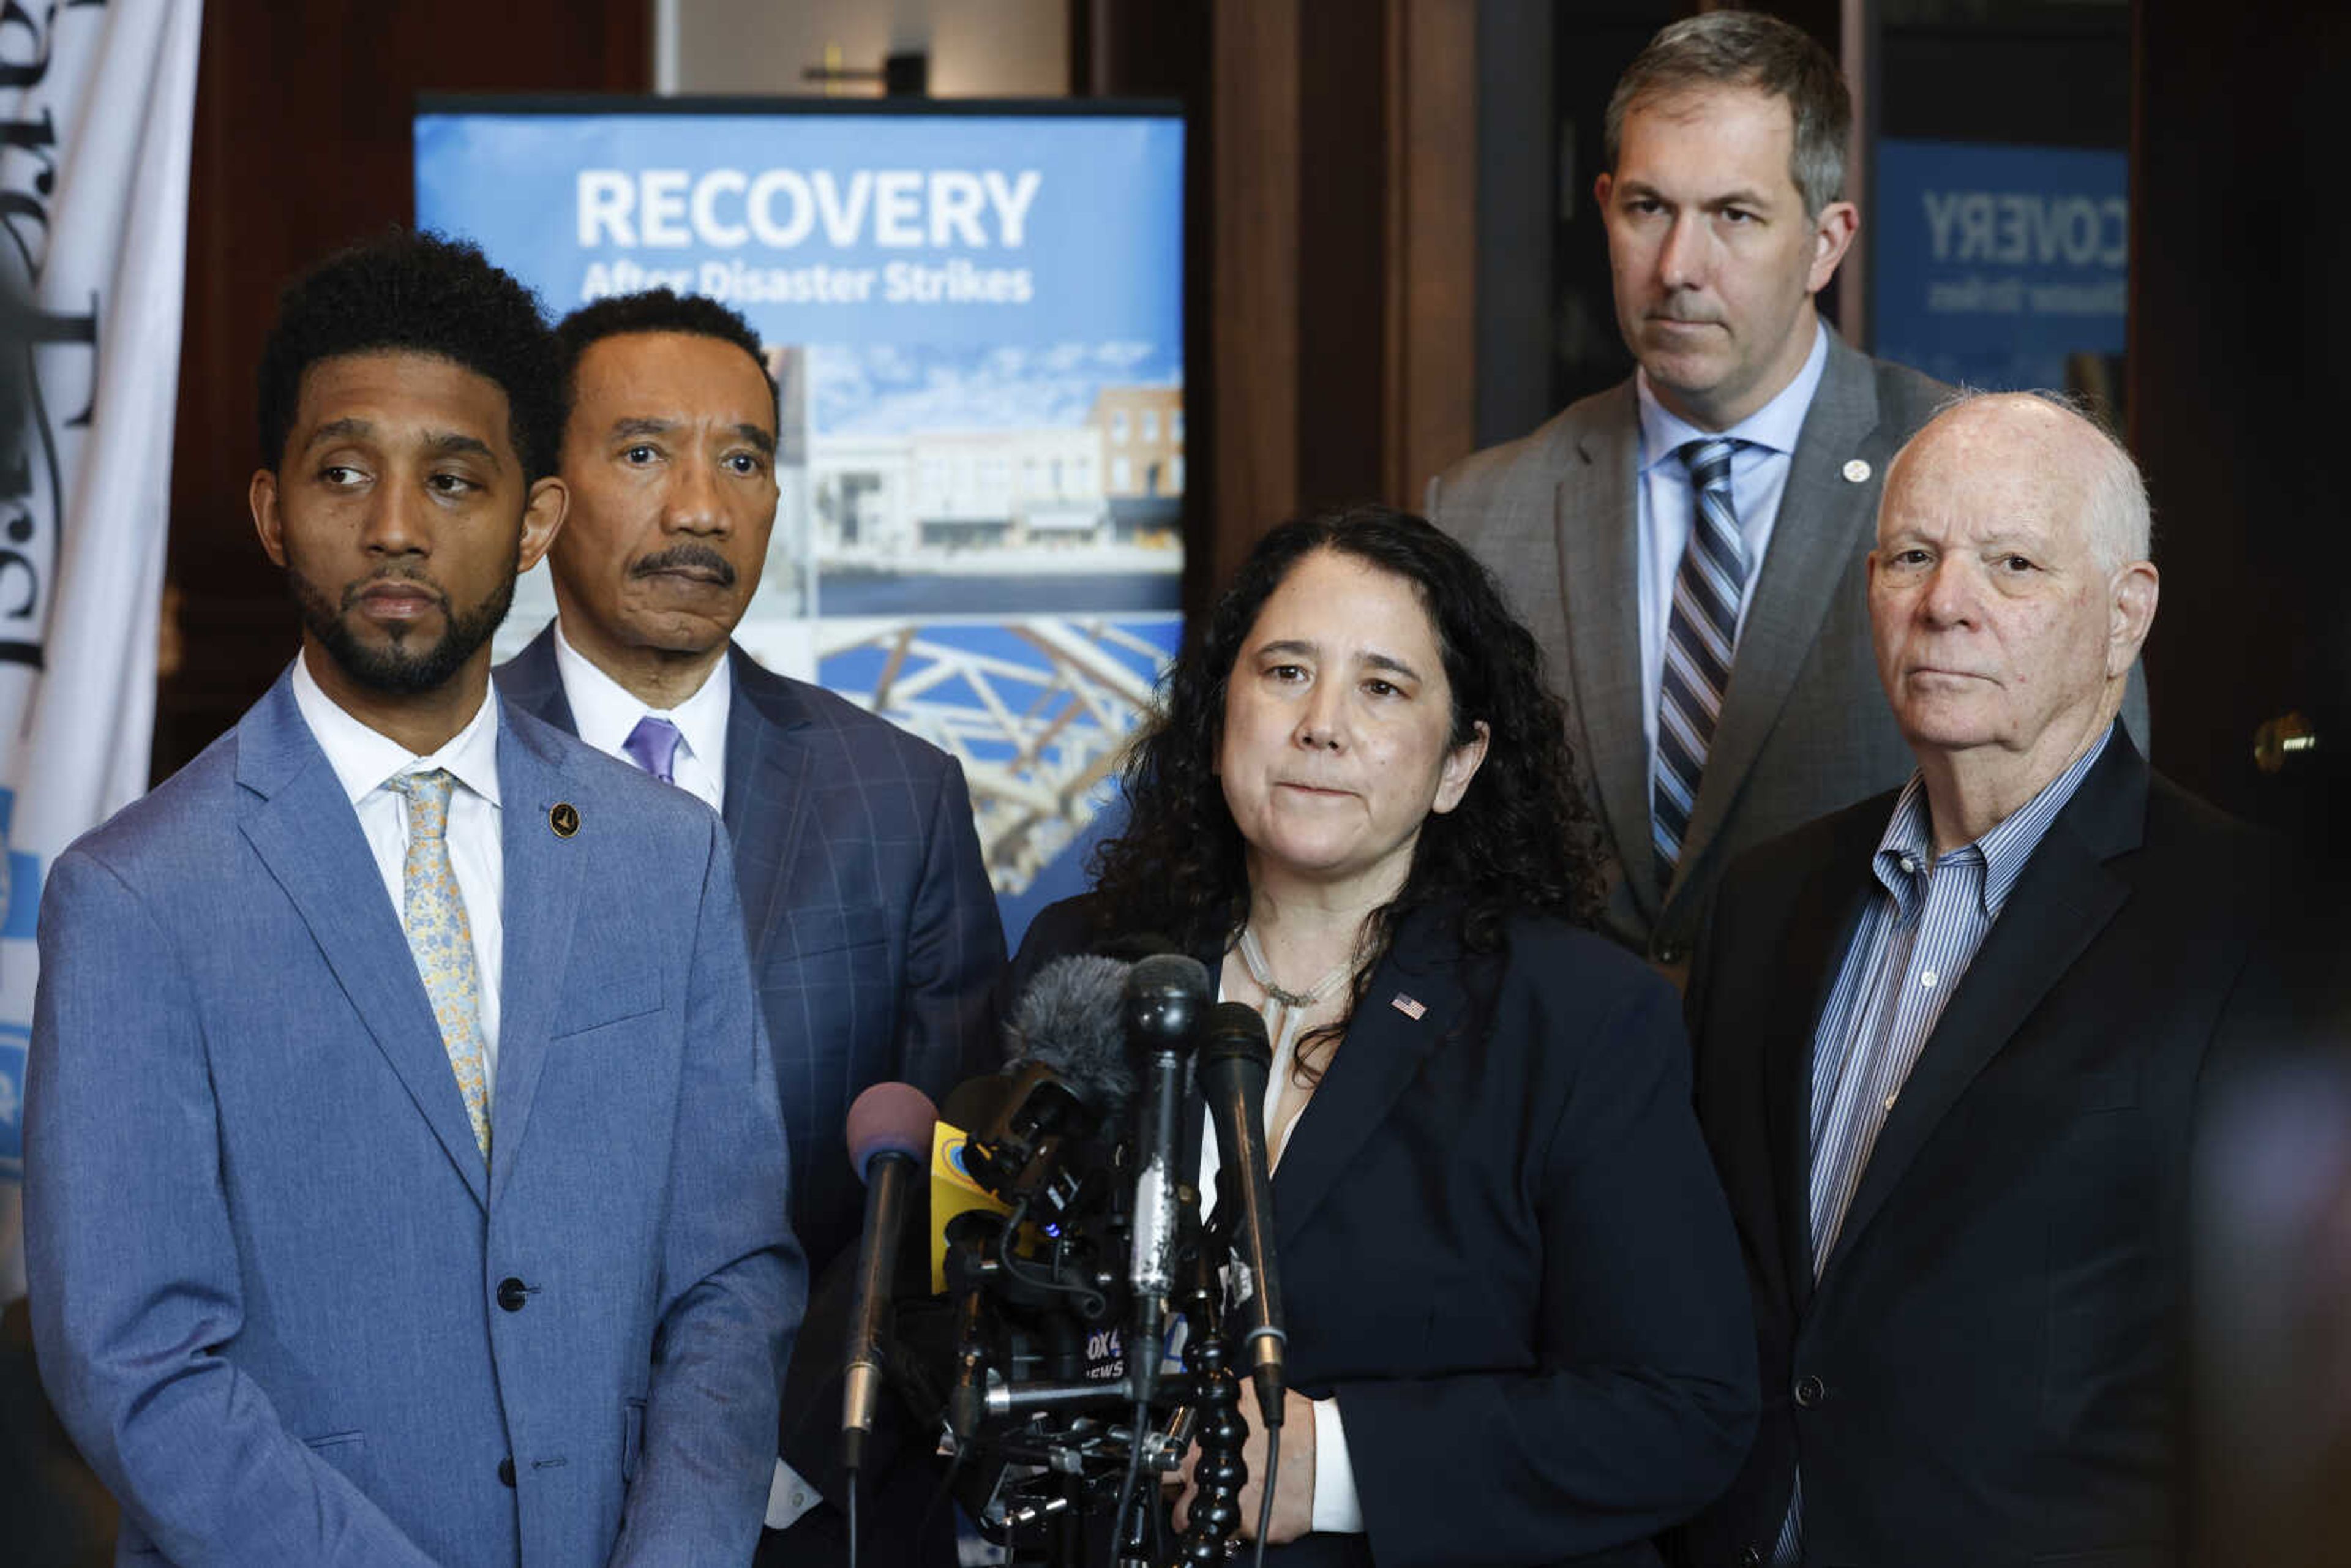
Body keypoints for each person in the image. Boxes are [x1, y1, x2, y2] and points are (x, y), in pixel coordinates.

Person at [24, 232, 803, 1566]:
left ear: (535, 520)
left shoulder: (663, 860)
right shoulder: (135, 896)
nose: (395, 525)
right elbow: (138, 1362)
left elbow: (730, 1282)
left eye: (454, 478)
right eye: (344, 473)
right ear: (273, 510)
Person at [1007, 505, 1758, 1566]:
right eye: (1284, 672)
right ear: (1220, 707)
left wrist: (1342, 1462)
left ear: (1460, 763)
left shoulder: (1577, 1015)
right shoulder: (1087, 961)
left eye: (1383, 687)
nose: (1322, 724)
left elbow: (1682, 1408)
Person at [1681, 393, 2282, 1566]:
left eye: (2012, 564)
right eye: (1912, 555)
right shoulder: (1766, 902)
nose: (1945, 602)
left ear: (2126, 616)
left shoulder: (2254, 925)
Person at [1431, 12, 2146, 970]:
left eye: (1734, 215)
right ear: (1603, 207)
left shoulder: (1980, 475)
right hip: (1566, 1103)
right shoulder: (1477, 515)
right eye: (1648, 208)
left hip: (1864, 1088)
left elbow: (2102, 843)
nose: (1679, 267)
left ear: (1826, 240)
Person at [491, 286, 1000, 1550]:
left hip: (810, 1487)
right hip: (494, 1484)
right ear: (545, 493)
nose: (701, 508)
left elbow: (949, 1206)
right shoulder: (443, 771)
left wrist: (763, 1453)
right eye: (646, 453)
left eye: (743, 459)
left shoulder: (900, 798)